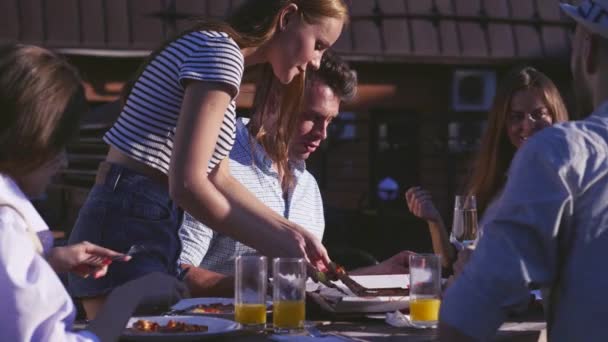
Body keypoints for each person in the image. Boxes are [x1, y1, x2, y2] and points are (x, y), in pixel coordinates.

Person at [68, 0, 349, 318]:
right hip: (129, 222)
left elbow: (219, 178)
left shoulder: (219, 52)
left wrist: (291, 233)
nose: (316, 62)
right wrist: (275, 245)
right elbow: (187, 185)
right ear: (286, 17)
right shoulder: (222, 55)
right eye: (319, 45)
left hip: (142, 218)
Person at [439, 0, 608, 341]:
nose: (525, 126)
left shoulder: (562, 154)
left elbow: (469, 313)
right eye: (515, 117)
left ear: (587, 48)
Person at [179, 50, 412, 296]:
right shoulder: (215, 161)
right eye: (311, 117)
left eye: (330, 121)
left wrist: (383, 272)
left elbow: (308, 286)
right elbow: (175, 271)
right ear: (272, 102)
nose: (322, 133)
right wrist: (262, 288)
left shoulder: (308, 187)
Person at [0, 43, 188, 342]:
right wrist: (128, 297)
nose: (64, 162)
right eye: (57, 145)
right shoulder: (6, 228)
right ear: (29, 138)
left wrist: (47, 260)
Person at [405, 66, 569, 269]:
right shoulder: (493, 179)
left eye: (538, 114)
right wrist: (433, 219)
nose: (528, 125)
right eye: (516, 117)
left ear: (555, 116)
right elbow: (454, 262)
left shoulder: (568, 182)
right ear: (502, 124)